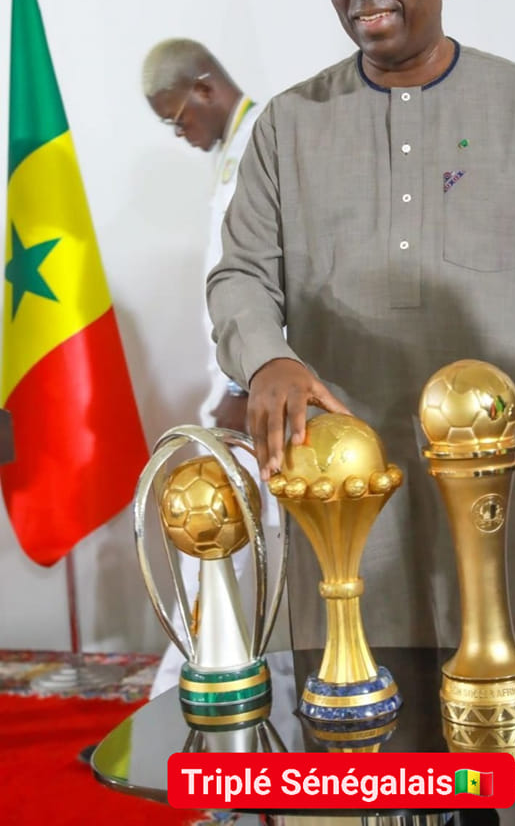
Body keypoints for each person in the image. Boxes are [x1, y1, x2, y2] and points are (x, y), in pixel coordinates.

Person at [206, 0, 515, 824]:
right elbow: (238, 274)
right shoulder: (289, 124)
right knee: (355, 742)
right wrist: (265, 360)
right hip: (347, 498)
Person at [141, 39, 286, 697]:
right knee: (214, 540)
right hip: (234, 382)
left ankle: (180, 704)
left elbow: (275, 277)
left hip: (254, 386)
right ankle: (193, 701)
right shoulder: (234, 148)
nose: (180, 134)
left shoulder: (265, 138)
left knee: (212, 536)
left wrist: (239, 382)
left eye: (177, 118)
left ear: (203, 87)